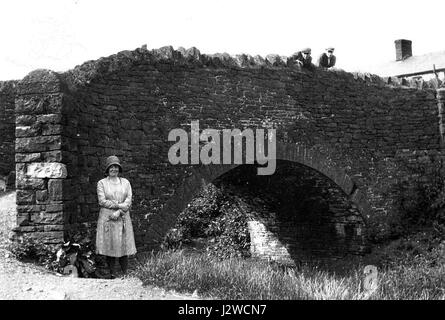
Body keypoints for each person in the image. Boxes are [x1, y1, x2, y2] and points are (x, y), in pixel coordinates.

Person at [96, 155, 137, 278]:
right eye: (111, 167)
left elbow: (129, 201)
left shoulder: (125, 183)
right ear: (107, 169)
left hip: (122, 217)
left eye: (116, 167)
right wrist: (119, 205)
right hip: (108, 218)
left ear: (119, 169)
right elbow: (102, 201)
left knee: (123, 244)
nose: (114, 169)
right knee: (111, 244)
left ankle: (125, 273)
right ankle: (112, 273)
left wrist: (119, 211)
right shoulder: (102, 183)